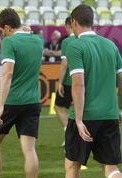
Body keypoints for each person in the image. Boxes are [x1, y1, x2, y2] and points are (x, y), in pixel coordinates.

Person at [52, 5, 122, 178]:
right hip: (109, 115)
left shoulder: (75, 45)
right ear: (92, 21)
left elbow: (79, 84)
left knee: (72, 165)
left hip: (86, 116)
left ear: (73, 22)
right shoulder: (110, 45)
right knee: (111, 169)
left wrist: (79, 119)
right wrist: (119, 109)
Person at [0, 8, 43, 178]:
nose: (1, 33)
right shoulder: (37, 40)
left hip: (11, 101)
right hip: (32, 101)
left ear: (8, 27)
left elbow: (7, 74)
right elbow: (26, 35)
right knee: (29, 149)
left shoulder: (9, 42)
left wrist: (0, 106)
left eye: (2, 29)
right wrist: (24, 31)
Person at [55, 17, 74, 148]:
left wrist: (59, 81)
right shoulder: (86, 40)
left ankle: (69, 133)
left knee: (58, 107)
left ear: (69, 26)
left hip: (69, 81)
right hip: (85, 81)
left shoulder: (67, 41)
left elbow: (64, 63)